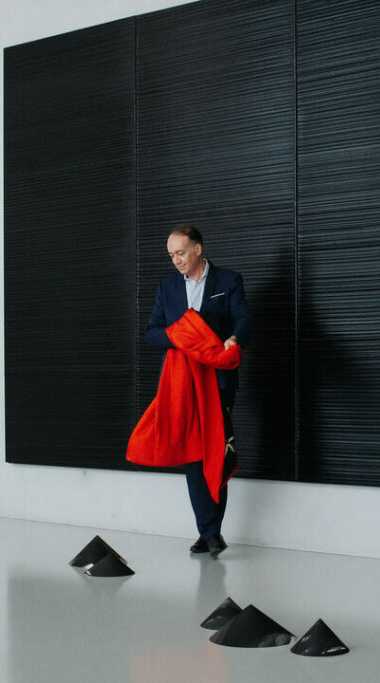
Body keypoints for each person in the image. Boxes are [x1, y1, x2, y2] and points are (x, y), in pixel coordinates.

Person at [144, 225, 252, 557]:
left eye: (180, 252)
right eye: (171, 255)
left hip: (218, 379)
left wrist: (234, 338)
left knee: (217, 451)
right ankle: (209, 532)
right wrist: (180, 336)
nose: (175, 260)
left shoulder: (228, 280)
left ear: (198, 249)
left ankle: (210, 531)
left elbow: (244, 319)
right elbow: (151, 333)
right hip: (182, 384)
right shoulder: (167, 287)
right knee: (193, 457)